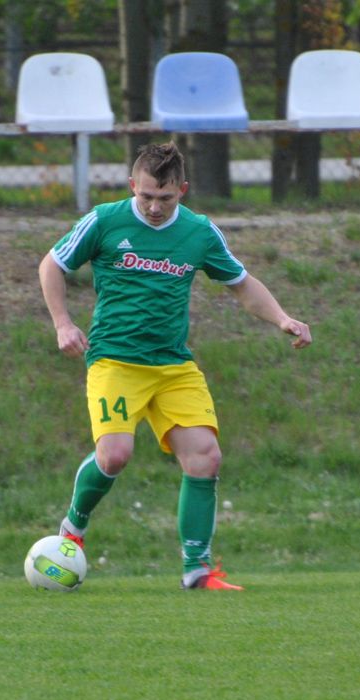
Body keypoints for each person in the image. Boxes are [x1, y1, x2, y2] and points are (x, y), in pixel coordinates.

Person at [39, 141, 312, 591]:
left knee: (205, 457)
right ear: (132, 185)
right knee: (115, 455)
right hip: (114, 360)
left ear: (182, 190)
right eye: (146, 195)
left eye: (165, 198)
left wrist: (282, 318)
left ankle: (197, 570)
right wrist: (63, 324)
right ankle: (73, 527)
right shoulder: (105, 220)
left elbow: (243, 285)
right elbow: (52, 265)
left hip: (172, 366)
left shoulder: (199, 232)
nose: (154, 207)